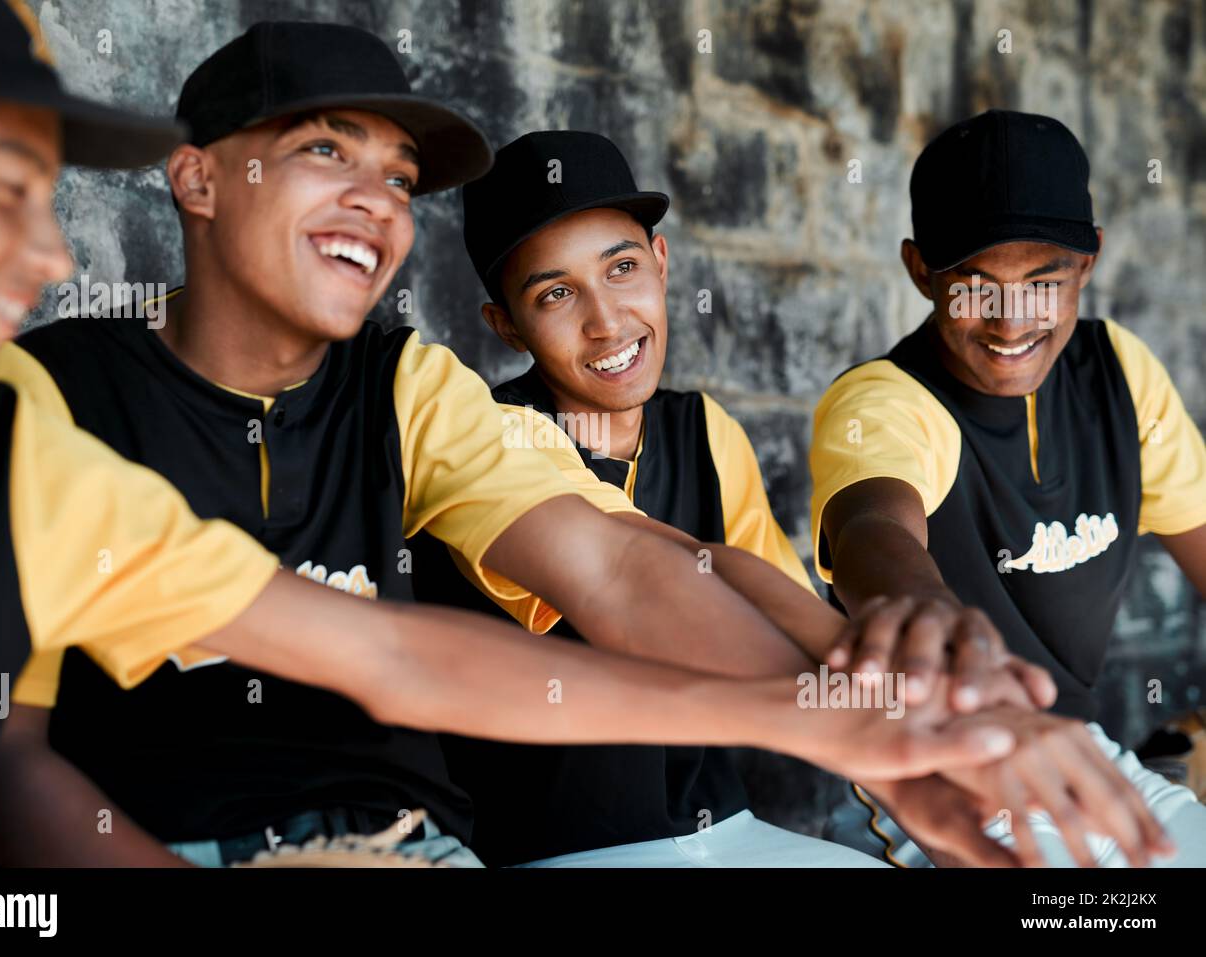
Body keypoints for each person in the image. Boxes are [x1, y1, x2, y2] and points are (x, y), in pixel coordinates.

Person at [0, 0, 1021, 871]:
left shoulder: (411, 384)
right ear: (198, 178)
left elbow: (611, 566)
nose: (376, 203)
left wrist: (861, 725)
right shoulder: (37, 399)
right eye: (324, 153)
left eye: (396, 178)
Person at [413, 129, 1173, 868]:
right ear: (505, 323)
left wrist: (933, 733)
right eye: (555, 294)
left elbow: (780, 602)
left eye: (621, 269)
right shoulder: (499, 433)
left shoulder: (705, 429)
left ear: (662, 262)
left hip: (729, 831)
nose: (607, 319)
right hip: (566, 847)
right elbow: (646, 571)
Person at [812, 109, 1206, 867]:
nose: (1010, 319)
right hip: (949, 770)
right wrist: (937, 628)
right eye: (974, 284)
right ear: (920, 269)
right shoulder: (884, 401)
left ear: (1087, 265)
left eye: (1043, 280)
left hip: (1080, 752)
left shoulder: (1118, 371)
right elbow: (872, 532)